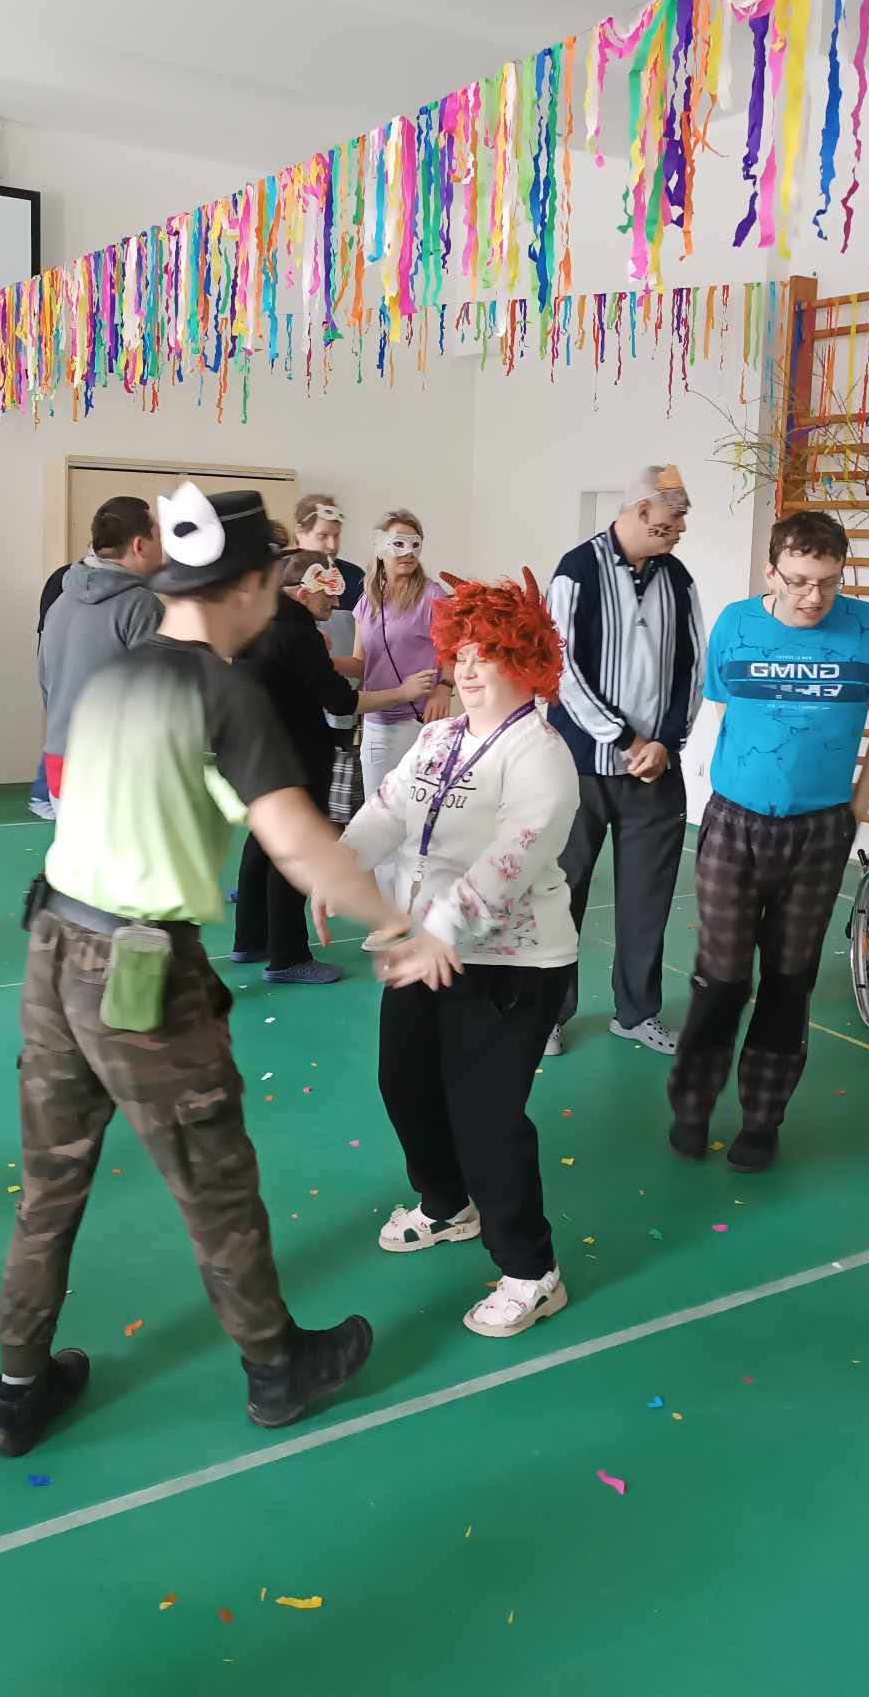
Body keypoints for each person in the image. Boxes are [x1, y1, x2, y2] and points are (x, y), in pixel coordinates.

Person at [0, 484, 411, 1456]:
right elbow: (296, 841)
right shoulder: (224, 692)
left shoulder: (116, 674)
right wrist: (397, 924)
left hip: (52, 944)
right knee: (212, 1178)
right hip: (138, 970)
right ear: (252, 584)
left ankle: (17, 1388)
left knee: (48, 1184)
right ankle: (277, 1366)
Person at [333, 570, 579, 1337]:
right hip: (423, 946)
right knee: (404, 1082)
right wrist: (341, 863)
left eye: (488, 656)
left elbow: (512, 857)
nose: (468, 671)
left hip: (513, 963)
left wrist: (443, 928)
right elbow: (389, 809)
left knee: (486, 1118)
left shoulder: (540, 755)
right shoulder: (439, 737)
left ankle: (532, 1272)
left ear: (527, 662)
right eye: (462, 655)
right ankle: (446, 1204)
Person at [668, 510, 869, 1171]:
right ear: (770, 572)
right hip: (734, 823)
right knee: (720, 978)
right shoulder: (736, 625)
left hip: (820, 830)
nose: (813, 596)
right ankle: (692, 1104)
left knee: (789, 979)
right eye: (799, 580)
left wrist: (857, 806)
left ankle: (762, 1119)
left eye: (828, 581)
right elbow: (724, 707)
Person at [545, 464, 704, 1057]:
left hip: (655, 772)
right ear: (640, 510)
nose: (680, 529)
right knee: (560, 894)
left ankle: (636, 1013)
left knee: (648, 899)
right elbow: (562, 669)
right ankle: (548, 1015)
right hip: (579, 766)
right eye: (672, 518)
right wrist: (624, 739)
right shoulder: (576, 569)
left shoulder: (678, 578)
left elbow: (693, 665)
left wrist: (666, 743)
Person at [232, 553, 358, 983]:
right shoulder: (298, 631)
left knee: (262, 844)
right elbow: (339, 699)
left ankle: (251, 939)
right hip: (296, 757)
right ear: (304, 592)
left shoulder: (256, 620)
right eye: (328, 595)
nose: (335, 605)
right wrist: (401, 693)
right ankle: (288, 957)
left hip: (257, 752)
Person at [37, 497, 163, 804]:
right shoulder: (141, 606)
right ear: (140, 546)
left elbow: (45, 682)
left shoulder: (61, 601)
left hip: (60, 763)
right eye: (159, 538)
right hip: (114, 769)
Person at [354, 510, 453, 799]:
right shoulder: (366, 602)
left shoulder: (432, 596)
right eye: (399, 543)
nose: (408, 552)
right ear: (380, 546)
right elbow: (360, 663)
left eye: (415, 544)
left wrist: (444, 688)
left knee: (417, 811)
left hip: (419, 721)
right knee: (377, 810)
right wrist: (322, 659)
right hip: (377, 722)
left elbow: (452, 649)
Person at [293, 493, 366, 826]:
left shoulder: (354, 578)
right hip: (294, 704)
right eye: (323, 535)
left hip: (341, 700)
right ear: (300, 533)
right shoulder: (280, 576)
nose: (332, 545)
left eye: (337, 535)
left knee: (336, 805)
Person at [29, 556, 77, 821]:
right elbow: (47, 635)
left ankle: (44, 791)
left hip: (59, 660)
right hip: (61, 660)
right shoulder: (65, 579)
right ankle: (43, 792)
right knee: (63, 729)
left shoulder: (65, 577)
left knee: (62, 728)